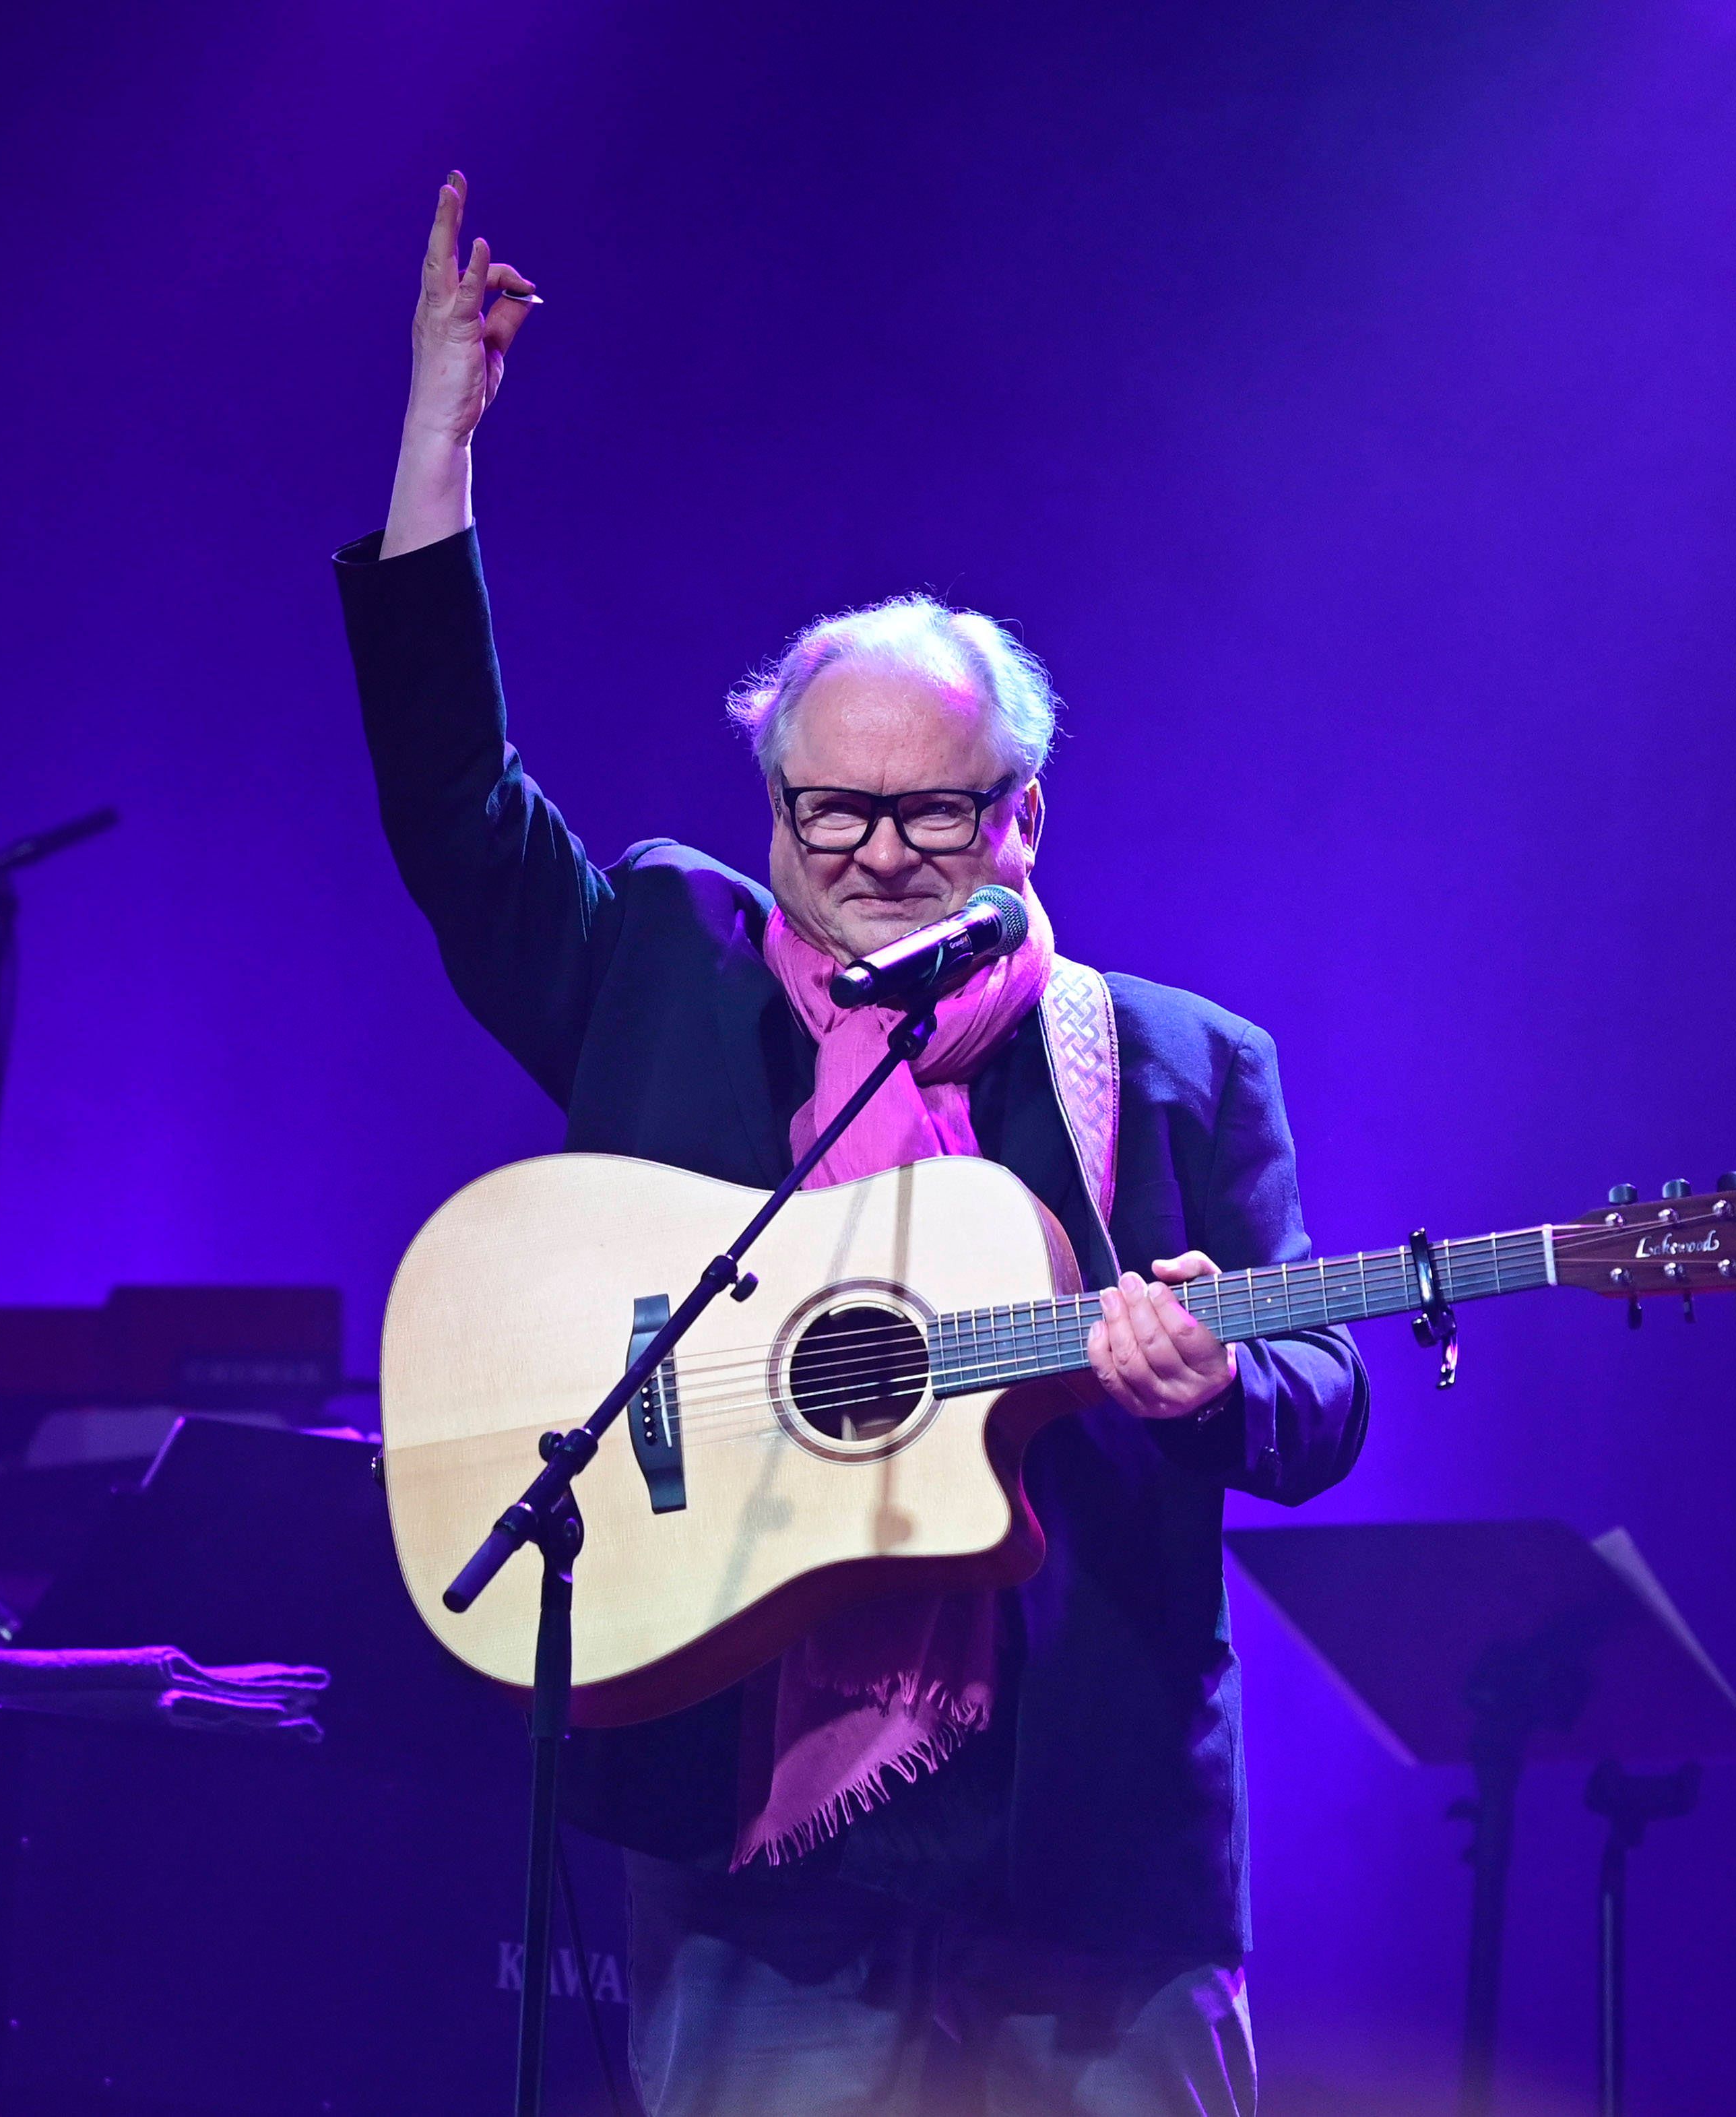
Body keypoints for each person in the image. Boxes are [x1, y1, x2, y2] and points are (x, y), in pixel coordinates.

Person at [333, 175, 1368, 2116]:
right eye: (831, 814)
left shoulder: (1170, 1064)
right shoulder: (663, 966)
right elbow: (454, 813)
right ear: (772, 803)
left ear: (1025, 817)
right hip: (757, 1858)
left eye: (934, 815)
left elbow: (1322, 1394)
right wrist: (433, 449)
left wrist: (1219, 1376)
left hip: (1092, 1873)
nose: (878, 854)